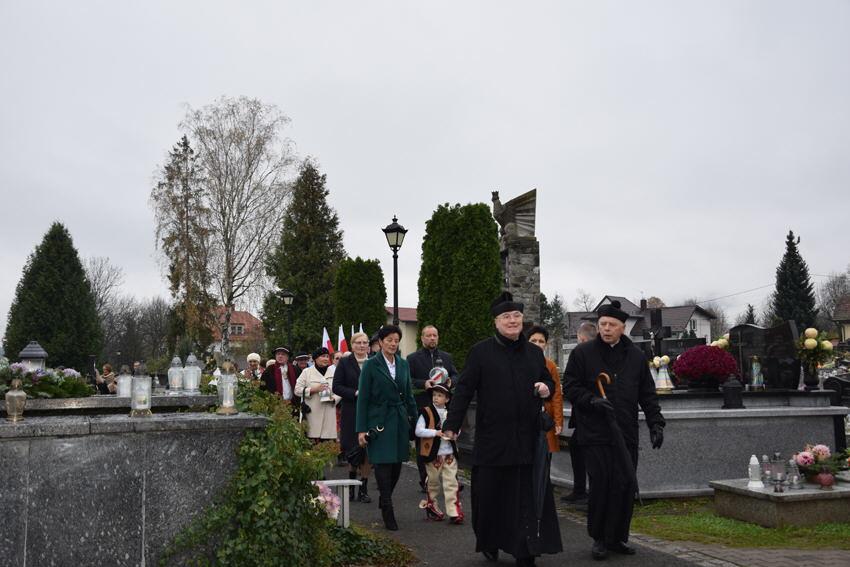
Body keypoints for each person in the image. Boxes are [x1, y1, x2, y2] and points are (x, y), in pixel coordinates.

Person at [442, 292, 562, 567]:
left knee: (525, 497)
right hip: (493, 439)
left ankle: (525, 550)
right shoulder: (480, 352)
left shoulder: (534, 353)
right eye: (506, 317)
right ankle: (490, 541)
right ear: (496, 322)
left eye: (516, 316)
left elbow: (549, 383)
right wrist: (452, 425)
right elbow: (464, 391)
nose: (512, 320)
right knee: (490, 495)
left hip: (527, 439)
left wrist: (546, 388)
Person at [564, 300, 665, 561]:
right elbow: (570, 387)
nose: (606, 329)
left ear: (623, 328)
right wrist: (591, 400)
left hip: (625, 431)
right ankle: (599, 537)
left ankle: (617, 537)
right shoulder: (583, 353)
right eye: (603, 324)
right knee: (601, 484)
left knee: (624, 483)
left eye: (612, 325)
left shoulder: (635, 357)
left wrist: (656, 423)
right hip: (594, 431)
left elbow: (647, 393)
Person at [355, 325, 417, 531]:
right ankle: (388, 509)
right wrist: (361, 429)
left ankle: (385, 496)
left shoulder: (403, 364)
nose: (393, 344)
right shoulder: (371, 365)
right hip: (378, 422)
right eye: (389, 340)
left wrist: (415, 421)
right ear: (380, 342)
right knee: (382, 464)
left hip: (399, 420)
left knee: (397, 465)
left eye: (396, 340)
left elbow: (409, 395)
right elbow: (363, 399)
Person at [407, 325, 459, 492]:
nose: (432, 338)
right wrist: (424, 383)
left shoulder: (446, 357)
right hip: (424, 405)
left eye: (434, 335)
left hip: (444, 406)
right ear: (422, 338)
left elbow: (455, 375)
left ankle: (453, 480)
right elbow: (408, 380)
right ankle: (426, 480)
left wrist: (451, 381)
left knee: (448, 440)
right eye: (428, 335)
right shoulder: (412, 358)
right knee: (424, 443)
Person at [332, 332, 373, 504]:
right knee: (353, 450)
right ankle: (350, 488)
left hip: (371, 412)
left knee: (367, 451)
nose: (362, 345)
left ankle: (363, 488)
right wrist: (355, 393)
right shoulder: (345, 363)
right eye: (358, 343)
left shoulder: (374, 362)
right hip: (351, 411)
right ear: (352, 345)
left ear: (368, 345)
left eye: (365, 342)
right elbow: (336, 387)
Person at [415, 383, 464, 524]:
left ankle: (454, 512)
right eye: (434, 395)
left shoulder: (451, 413)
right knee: (433, 482)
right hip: (433, 454)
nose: (436, 398)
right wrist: (435, 433)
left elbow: (458, 428)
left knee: (451, 483)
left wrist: (455, 434)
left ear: (447, 399)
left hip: (449, 453)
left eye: (440, 395)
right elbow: (418, 431)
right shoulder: (426, 412)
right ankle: (432, 506)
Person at [561, 321, 596, 504]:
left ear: (581, 338)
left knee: (587, 453)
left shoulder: (582, 354)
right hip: (585, 411)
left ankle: (585, 491)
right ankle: (580, 489)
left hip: (588, 412)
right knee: (576, 446)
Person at [526, 326, 564, 454]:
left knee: (544, 456)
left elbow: (557, 394)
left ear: (546, 345)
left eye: (541, 341)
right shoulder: (519, 362)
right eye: (533, 340)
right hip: (524, 419)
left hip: (545, 418)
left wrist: (558, 421)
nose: (537, 344)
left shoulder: (550, 365)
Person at [295, 347, 340, 442]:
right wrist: (313, 390)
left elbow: (340, 390)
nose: (326, 359)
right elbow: (297, 390)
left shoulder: (334, 372)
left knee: (328, 446)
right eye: (323, 356)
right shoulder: (307, 372)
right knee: (312, 445)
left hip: (329, 416)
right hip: (312, 416)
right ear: (315, 358)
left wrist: (334, 399)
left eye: (327, 356)